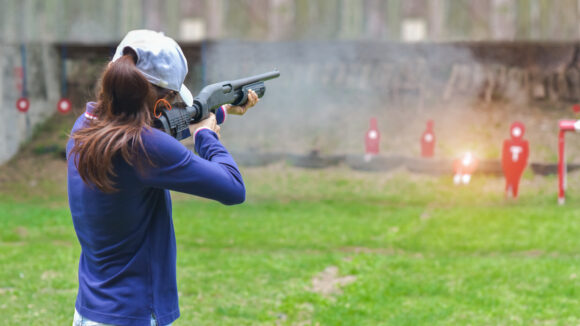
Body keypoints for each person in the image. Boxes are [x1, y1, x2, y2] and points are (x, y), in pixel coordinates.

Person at [67, 30, 258, 326]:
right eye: (171, 100)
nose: (173, 107)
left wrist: (217, 111)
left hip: (91, 311)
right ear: (161, 102)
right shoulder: (145, 147)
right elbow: (233, 188)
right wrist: (206, 136)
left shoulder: (87, 125)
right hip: (134, 315)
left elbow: (159, 131)